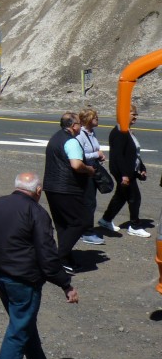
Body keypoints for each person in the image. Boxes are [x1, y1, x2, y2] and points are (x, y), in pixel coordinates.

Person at [0, 171, 78, 359]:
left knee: (24, 323)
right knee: (18, 330)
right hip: (24, 281)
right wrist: (66, 285)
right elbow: (47, 254)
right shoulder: (37, 213)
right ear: (39, 190)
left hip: (0, 276)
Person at [42, 112, 95, 272]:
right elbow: (76, 165)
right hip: (67, 188)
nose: (81, 126)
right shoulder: (71, 142)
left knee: (63, 224)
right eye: (79, 123)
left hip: (51, 187)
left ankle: (65, 258)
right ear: (73, 126)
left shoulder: (55, 138)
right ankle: (59, 257)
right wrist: (89, 169)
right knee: (82, 221)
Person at [99, 106, 151, 237]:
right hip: (124, 172)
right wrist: (124, 175)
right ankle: (134, 225)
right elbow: (118, 156)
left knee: (121, 196)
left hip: (129, 171)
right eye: (133, 114)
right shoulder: (119, 132)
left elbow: (134, 154)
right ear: (124, 114)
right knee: (134, 197)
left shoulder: (127, 131)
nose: (135, 117)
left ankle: (106, 219)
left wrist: (141, 168)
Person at [75, 108, 106, 246]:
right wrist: (96, 155)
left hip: (93, 170)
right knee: (88, 202)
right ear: (87, 119)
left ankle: (85, 228)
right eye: (94, 117)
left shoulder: (92, 133)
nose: (97, 119)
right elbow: (79, 155)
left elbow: (94, 150)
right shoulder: (80, 135)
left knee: (91, 201)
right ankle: (86, 232)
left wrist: (99, 155)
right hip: (85, 172)